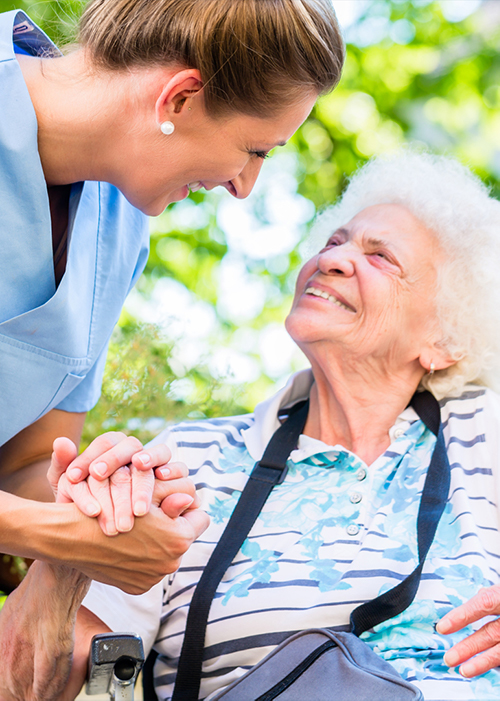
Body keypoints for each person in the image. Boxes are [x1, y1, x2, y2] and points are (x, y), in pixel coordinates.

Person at [6, 149, 500, 700]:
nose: (332, 260)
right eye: (334, 242)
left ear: (446, 341)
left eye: (381, 257)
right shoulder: (187, 461)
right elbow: (51, 688)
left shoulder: (484, 436)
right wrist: (67, 564)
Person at [0, 0, 345, 591]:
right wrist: (48, 533)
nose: (244, 187)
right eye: (256, 150)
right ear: (179, 99)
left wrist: (108, 501)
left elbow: (23, 464)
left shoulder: (120, 229)